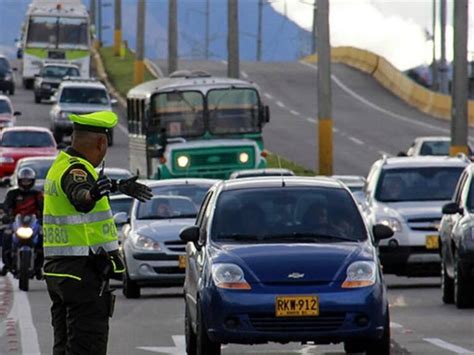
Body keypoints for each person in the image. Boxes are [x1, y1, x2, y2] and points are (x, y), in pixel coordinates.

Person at [43, 111, 152, 355]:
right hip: (81, 273)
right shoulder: (77, 171)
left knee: (64, 346)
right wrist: (91, 195)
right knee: (87, 347)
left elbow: (80, 190)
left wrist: (115, 186)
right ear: (101, 143)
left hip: (59, 272)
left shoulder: (60, 165)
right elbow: (80, 195)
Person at [1, 167, 43, 277]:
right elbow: (6, 206)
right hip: (16, 222)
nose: (26, 183)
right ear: (19, 181)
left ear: (32, 181)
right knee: (6, 235)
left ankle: (39, 266)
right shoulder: (13, 193)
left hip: (33, 223)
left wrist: (44, 218)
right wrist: (6, 215)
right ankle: (6, 264)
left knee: (43, 238)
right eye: (23, 180)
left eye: (28, 181)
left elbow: (44, 208)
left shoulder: (37, 194)